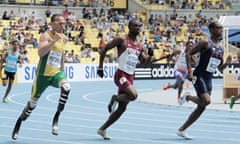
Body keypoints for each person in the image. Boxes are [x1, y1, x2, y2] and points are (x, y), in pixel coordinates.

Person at [12, 14, 71, 140]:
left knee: (66, 87)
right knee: (32, 105)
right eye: (61, 23)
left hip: (56, 73)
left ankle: (56, 119)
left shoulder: (65, 38)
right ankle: (19, 123)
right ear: (53, 24)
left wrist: (62, 69)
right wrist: (53, 40)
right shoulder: (46, 35)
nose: (63, 25)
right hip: (42, 76)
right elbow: (40, 53)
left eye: (64, 23)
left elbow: (61, 54)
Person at [96, 19, 153, 140]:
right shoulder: (121, 40)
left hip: (130, 77)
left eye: (139, 26)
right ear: (129, 27)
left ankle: (102, 129)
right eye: (135, 25)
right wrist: (100, 67)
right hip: (121, 74)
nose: (137, 27)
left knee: (122, 109)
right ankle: (115, 98)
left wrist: (150, 56)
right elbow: (104, 49)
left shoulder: (140, 45)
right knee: (134, 95)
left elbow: (144, 63)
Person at [176, 22, 232, 139]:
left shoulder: (221, 48)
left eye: (222, 28)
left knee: (201, 107)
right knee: (206, 101)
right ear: (211, 30)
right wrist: (190, 71)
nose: (221, 30)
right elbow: (188, 53)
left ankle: (182, 129)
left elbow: (220, 69)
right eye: (218, 28)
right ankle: (188, 97)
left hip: (209, 78)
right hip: (199, 75)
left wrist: (226, 63)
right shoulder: (205, 43)